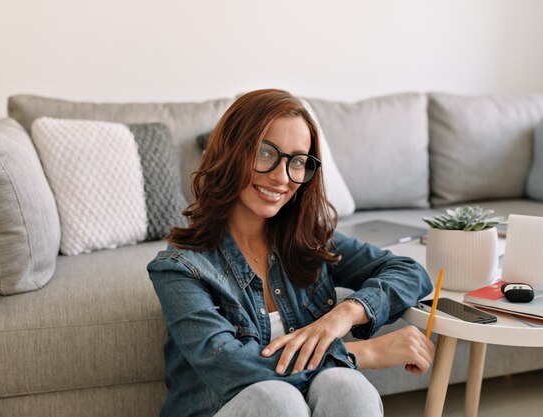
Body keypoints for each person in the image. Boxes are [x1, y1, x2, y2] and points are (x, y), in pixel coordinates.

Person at [148, 89, 434, 417]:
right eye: (265, 153)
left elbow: (409, 272)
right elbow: (231, 366)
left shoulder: (308, 242)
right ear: (231, 152)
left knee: (347, 387)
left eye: (297, 161)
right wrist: (364, 352)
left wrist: (343, 316)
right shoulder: (181, 267)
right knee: (278, 400)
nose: (281, 177)